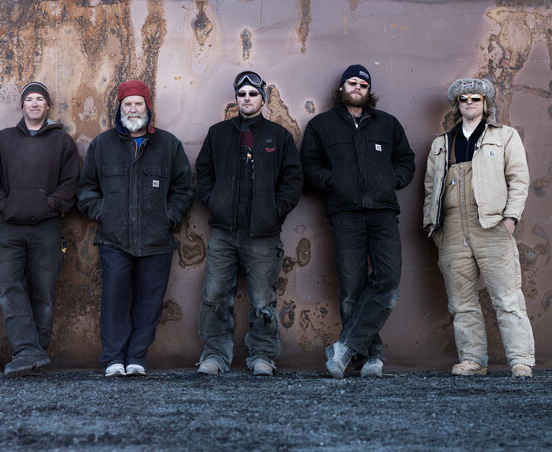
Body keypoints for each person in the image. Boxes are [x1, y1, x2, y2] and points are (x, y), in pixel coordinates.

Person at [300, 64, 415, 378]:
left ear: (369, 90)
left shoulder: (388, 125)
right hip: (345, 214)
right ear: (341, 88)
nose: (357, 87)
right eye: (351, 82)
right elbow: (308, 165)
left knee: (388, 284)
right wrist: (333, 181)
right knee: (352, 289)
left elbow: (406, 160)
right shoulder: (321, 126)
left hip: (383, 213)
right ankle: (370, 358)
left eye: (363, 84)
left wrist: (392, 180)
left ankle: (344, 348)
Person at [77, 80, 194, 377]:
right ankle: (114, 359)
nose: (133, 109)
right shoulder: (102, 145)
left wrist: (169, 217)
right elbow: (86, 189)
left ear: (147, 108)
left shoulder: (168, 145)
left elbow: (184, 188)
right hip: (114, 239)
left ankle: (137, 358)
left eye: (138, 103)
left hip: (156, 239)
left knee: (149, 302)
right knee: (114, 300)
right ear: (119, 109)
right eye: (127, 104)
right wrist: (104, 213)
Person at [423, 78, 535, 378]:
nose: (469, 102)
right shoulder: (441, 143)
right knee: (461, 302)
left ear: (484, 103)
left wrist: (510, 218)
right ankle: (473, 359)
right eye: (463, 98)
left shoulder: (505, 136)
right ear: (457, 105)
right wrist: (432, 227)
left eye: (475, 98)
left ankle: (521, 360)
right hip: (451, 229)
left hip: (491, 224)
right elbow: (430, 186)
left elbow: (519, 179)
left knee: (508, 298)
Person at [195, 71, 302, 376]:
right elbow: (203, 172)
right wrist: (214, 201)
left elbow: (292, 180)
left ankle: (262, 356)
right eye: (241, 94)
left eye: (253, 94)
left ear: (262, 99)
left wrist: (274, 211)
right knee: (215, 295)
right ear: (236, 99)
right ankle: (215, 355)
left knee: (262, 299)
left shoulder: (278, 137)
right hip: (224, 233)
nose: (246, 99)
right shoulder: (218, 134)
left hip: (263, 235)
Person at [0, 82, 80, 377]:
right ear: (22, 106)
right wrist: (6, 205)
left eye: (40, 99)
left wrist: (50, 205)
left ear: (48, 106)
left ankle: (34, 353)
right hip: (11, 229)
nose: (35, 103)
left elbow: (71, 183)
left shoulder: (62, 142)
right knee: (10, 289)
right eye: (29, 99)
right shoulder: (3, 140)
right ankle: (28, 351)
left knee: (44, 292)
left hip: (47, 228)